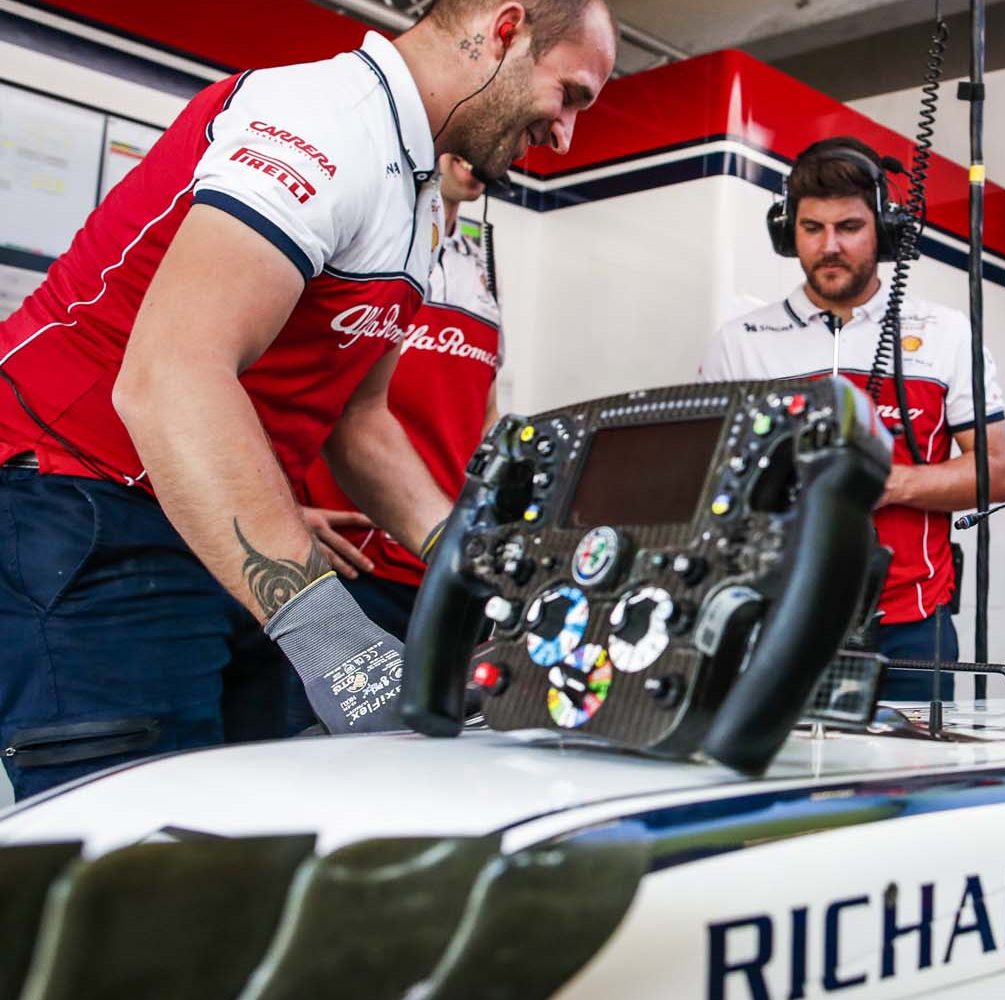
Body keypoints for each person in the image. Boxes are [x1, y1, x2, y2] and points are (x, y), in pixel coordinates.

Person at [0, 0, 614, 798]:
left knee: (255, 827)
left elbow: (359, 421)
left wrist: (473, 558)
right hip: (79, 500)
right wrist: (329, 632)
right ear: (505, 30)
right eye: (571, 95)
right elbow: (173, 375)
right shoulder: (323, 120)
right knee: (144, 857)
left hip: (191, 523)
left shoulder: (420, 199)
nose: (565, 134)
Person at [701, 137, 1005, 700]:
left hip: (912, 628)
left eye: (848, 227)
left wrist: (889, 484)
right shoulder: (739, 343)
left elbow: (997, 470)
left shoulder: (945, 335)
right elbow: (704, 482)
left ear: (883, 230)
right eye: (812, 228)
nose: (829, 247)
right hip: (776, 618)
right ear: (787, 231)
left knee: (907, 788)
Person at [302, 153, 503, 637]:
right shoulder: (359, 239)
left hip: (447, 566)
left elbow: (486, 411)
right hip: (349, 566)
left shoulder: (480, 270)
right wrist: (279, 514)